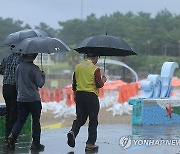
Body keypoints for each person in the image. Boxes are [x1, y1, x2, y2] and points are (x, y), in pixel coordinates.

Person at [67, 53, 107, 152]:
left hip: (80, 95)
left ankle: (73, 132)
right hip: (91, 97)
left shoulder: (78, 67)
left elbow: (74, 84)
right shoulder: (95, 69)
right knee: (93, 120)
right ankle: (90, 144)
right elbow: (98, 85)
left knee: (80, 118)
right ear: (95, 57)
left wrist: (76, 96)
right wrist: (103, 80)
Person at [7, 53, 45, 151]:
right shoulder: (35, 69)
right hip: (33, 99)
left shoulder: (18, 67)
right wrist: (43, 76)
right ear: (34, 56)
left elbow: (17, 83)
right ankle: (36, 144)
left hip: (21, 99)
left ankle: (12, 136)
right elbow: (40, 84)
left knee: (20, 120)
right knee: (36, 121)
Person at [0, 46, 22, 142]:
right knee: (14, 112)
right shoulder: (21, 60)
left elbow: (0, 71)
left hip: (5, 87)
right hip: (14, 87)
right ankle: (10, 135)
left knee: (9, 110)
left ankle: (7, 134)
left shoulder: (6, 59)